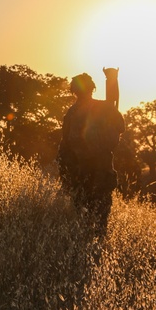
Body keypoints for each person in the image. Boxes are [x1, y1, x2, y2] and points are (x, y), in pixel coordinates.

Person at [57, 67, 126, 228]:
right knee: (100, 218)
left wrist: (66, 176)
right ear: (92, 89)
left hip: (81, 174)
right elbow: (120, 127)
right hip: (97, 171)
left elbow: (64, 146)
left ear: (73, 91)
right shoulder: (104, 107)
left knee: (82, 217)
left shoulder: (71, 114)